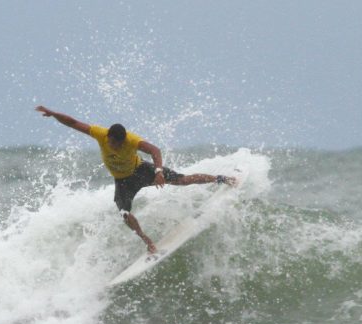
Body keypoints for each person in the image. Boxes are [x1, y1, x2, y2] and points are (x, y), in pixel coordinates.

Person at [35, 105, 237, 253]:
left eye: (120, 144)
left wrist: (158, 171)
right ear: (109, 138)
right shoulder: (100, 134)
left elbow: (154, 150)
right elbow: (73, 123)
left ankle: (220, 178)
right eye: (114, 144)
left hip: (141, 170)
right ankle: (148, 241)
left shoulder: (131, 140)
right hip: (122, 181)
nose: (116, 147)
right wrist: (53, 114)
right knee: (124, 213)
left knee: (181, 180)